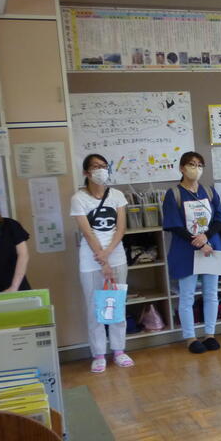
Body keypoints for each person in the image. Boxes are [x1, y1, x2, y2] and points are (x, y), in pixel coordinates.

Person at [70, 154, 134, 373]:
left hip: (116, 255)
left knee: (116, 303)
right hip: (91, 259)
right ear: (86, 172)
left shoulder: (117, 195)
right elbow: (87, 232)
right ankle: (98, 354)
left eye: (104, 166)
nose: (101, 170)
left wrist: (107, 254)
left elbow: (121, 228)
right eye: (95, 166)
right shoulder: (78, 198)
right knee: (94, 307)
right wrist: (101, 257)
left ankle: (119, 350)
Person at [162, 152, 221, 354]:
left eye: (199, 165)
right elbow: (174, 225)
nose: (196, 168)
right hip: (186, 249)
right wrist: (198, 242)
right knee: (187, 295)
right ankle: (190, 337)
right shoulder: (174, 194)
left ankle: (210, 334)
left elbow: (220, 218)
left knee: (211, 293)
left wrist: (206, 237)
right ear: (182, 168)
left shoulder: (208, 191)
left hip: (210, 246)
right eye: (191, 164)